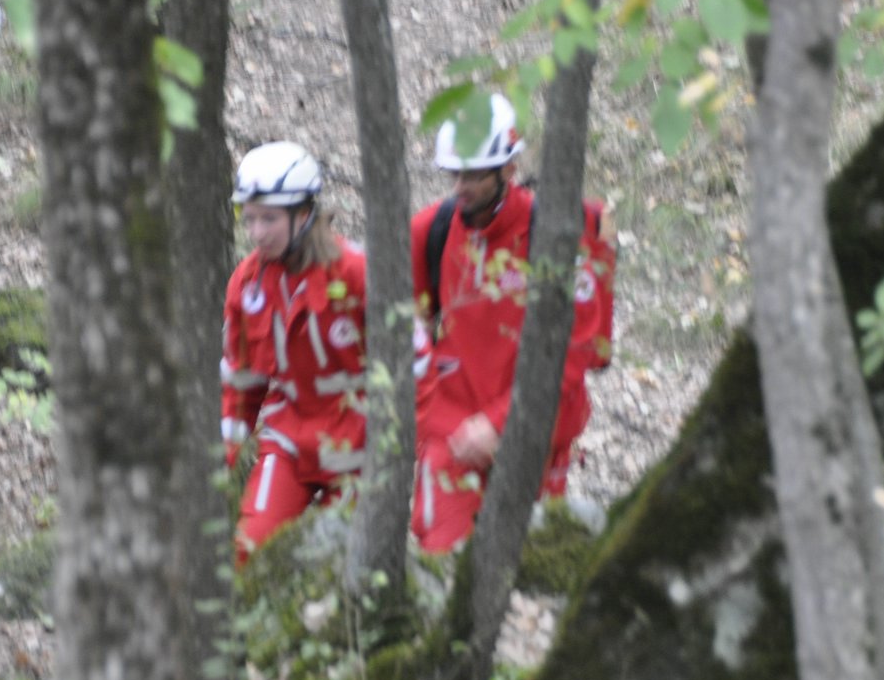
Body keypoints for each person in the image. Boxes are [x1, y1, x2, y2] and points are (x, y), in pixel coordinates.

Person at [409, 93, 616, 552]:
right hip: (454, 433)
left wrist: (499, 424)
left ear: (508, 169)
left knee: (522, 564)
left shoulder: (560, 233)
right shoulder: (432, 231)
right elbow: (408, 329)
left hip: (535, 432)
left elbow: (577, 352)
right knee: (441, 557)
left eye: (473, 176)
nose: (460, 187)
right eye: (454, 174)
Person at [221, 142, 369, 564]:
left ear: (303, 215)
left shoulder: (357, 272)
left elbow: (403, 364)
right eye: (249, 219)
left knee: (330, 562)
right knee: (249, 552)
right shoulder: (246, 285)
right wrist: (222, 460)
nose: (257, 232)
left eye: (269, 218)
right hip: (289, 441)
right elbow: (240, 387)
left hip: (357, 444)